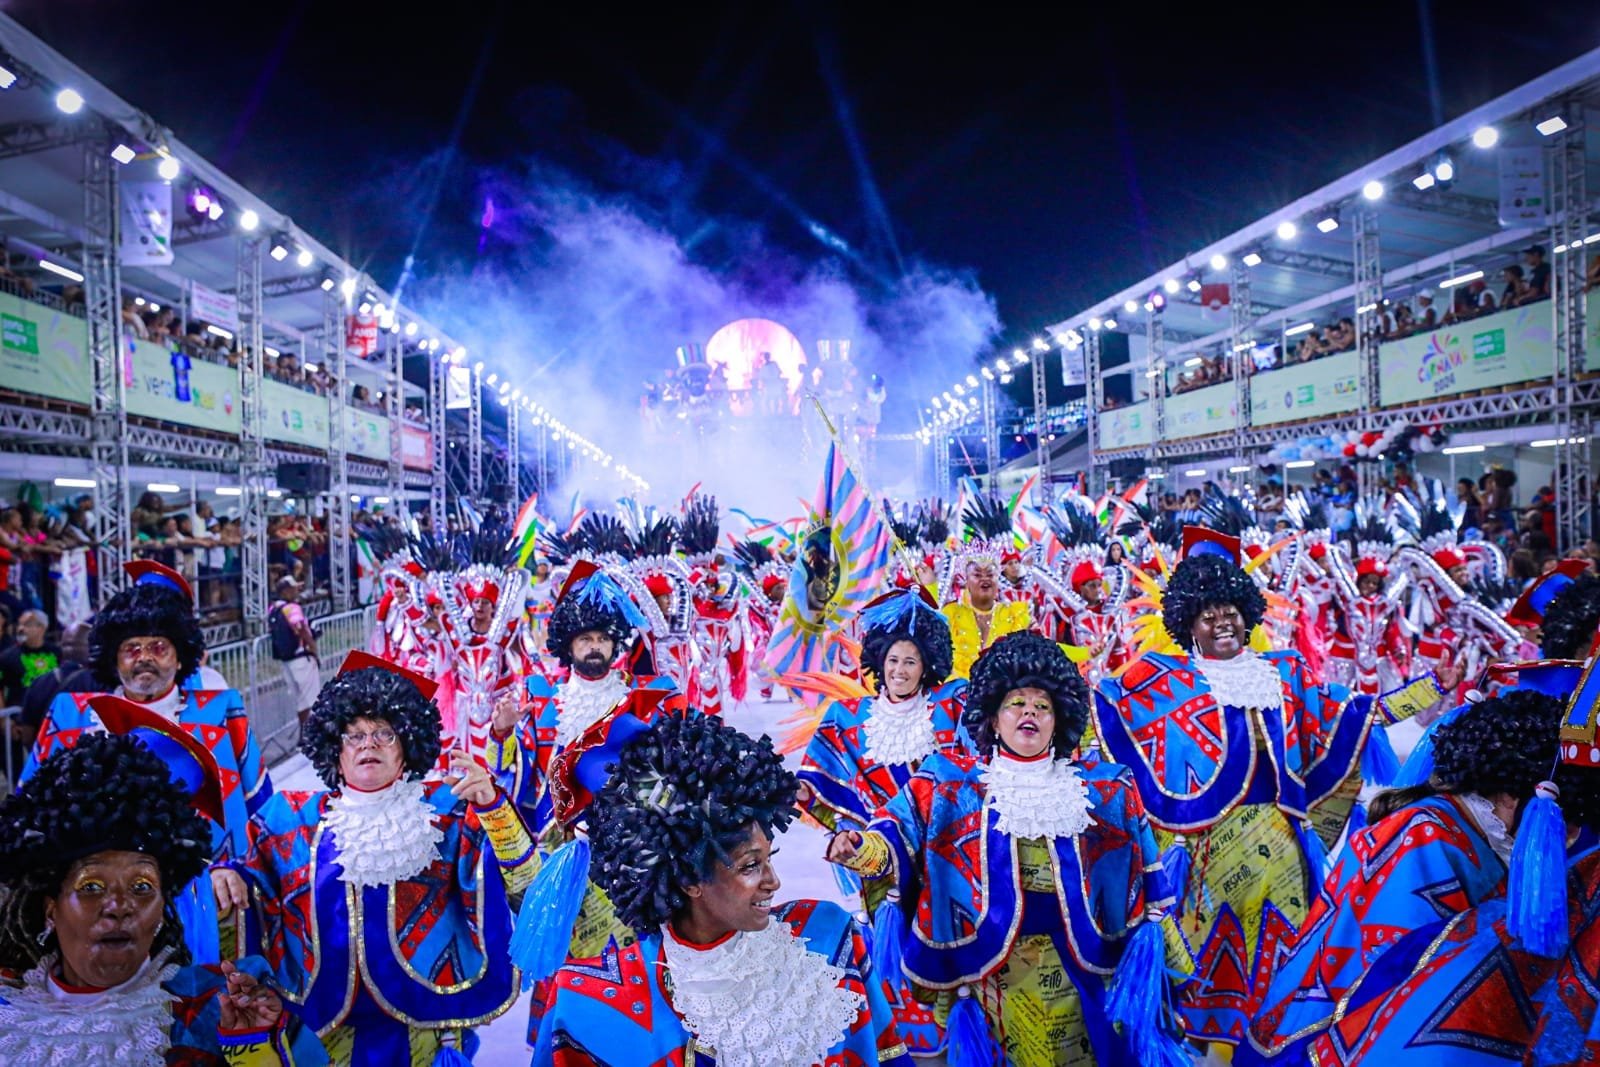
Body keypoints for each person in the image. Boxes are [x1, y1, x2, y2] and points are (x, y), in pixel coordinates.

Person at [828, 631, 1187, 1065]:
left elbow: (1146, 878)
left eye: (1043, 706)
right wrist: (861, 849)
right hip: (989, 974)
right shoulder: (948, 783)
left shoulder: (1104, 788)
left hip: (1082, 969)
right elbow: (894, 835)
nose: (1029, 714)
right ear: (993, 720)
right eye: (1016, 704)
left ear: (1060, 721)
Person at [1092, 529, 1373, 1049]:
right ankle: (1207, 1048)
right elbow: (1107, 709)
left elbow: (1343, 715)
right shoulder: (1164, 679)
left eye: (1231, 612)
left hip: (1282, 843)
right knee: (1206, 964)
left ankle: (1272, 1045)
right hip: (1203, 848)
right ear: (1187, 624)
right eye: (1207, 615)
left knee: (1282, 956)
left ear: (1248, 614)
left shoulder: (1284, 672)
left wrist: (1424, 703)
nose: (1222, 621)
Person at [534, 713, 911, 1066]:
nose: (774, 881)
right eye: (750, 865)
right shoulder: (586, 1004)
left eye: (769, 858)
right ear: (687, 880)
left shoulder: (829, 938)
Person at [213, 654, 535, 1065]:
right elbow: (246, 871)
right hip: (323, 1030)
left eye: (384, 733)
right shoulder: (290, 817)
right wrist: (227, 871)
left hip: (427, 1028)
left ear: (407, 746)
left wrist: (493, 807)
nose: (368, 744)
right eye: (354, 735)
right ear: (335, 749)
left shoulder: (449, 809)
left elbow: (522, 885)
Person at [1245, 684, 1570, 1063]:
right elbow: (1401, 975)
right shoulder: (1423, 837)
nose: (1570, 834)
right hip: (1348, 1036)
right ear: (1514, 795)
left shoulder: (1455, 824)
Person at [0, 719, 317, 1065]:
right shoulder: (10, 1013)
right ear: (50, 908)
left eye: (141, 887)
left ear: (165, 905)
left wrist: (256, 1050)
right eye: (91, 886)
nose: (119, 906)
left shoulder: (219, 1004)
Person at [796, 587, 966, 1055]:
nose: (900, 670)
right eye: (892, 660)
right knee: (893, 948)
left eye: (910, 661)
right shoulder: (850, 718)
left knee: (950, 938)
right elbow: (819, 785)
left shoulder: (952, 709)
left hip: (948, 853)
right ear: (877, 661)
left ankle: (958, 1028)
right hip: (881, 864)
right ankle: (913, 1040)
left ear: (927, 663)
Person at [24, 561, 270, 875]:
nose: (144, 658)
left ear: (181, 657)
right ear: (113, 658)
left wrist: (242, 873)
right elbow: (30, 806)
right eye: (131, 648)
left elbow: (262, 808)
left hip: (205, 888)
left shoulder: (221, 712)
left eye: (158, 647)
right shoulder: (69, 714)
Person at [941, 499, 1032, 679]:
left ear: (998, 578)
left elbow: (1045, 648)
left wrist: (1086, 652)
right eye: (977, 574)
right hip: (957, 698)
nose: (985, 579)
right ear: (965, 579)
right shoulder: (950, 614)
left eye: (990, 574)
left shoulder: (1016, 614)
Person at [266, 576, 320, 729]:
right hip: (301, 658)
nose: (297, 590)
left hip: (286, 660)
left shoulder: (273, 608)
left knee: (300, 701)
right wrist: (312, 646)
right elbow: (299, 627)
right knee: (311, 699)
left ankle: (303, 736)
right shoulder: (292, 608)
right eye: (294, 588)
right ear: (286, 591)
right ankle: (312, 734)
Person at [0, 608, 58, 707]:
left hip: (51, 712)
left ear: (42, 628)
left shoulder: (56, 652)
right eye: (19, 624)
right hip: (19, 715)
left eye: (27, 624)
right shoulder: (7, 657)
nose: (20, 629)